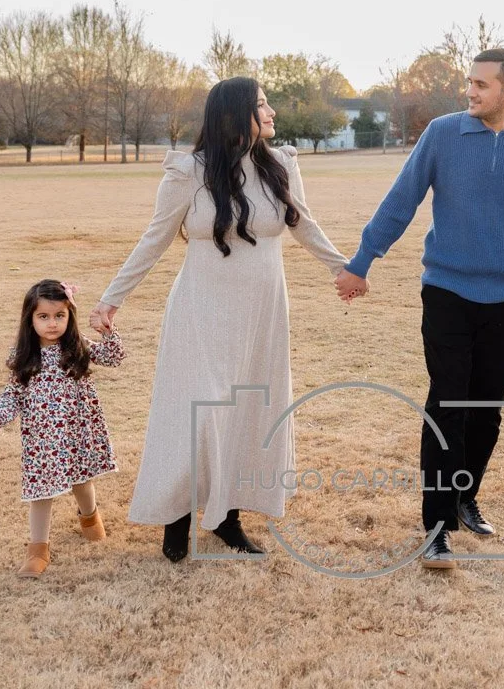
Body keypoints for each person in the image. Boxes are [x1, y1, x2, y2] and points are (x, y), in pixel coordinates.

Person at [89, 77, 354, 563]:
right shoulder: (189, 171)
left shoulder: (280, 165)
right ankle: (178, 516)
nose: (272, 112)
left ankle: (228, 517)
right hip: (201, 312)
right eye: (261, 105)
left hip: (262, 313)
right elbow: (155, 237)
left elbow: (302, 223)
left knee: (247, 410)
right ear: (234, 115)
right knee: (196, 412)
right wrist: (111, 299)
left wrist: (345, 268)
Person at [335, 48, 504, 569]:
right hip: (447, 293)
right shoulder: (442, 133)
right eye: (470, 83)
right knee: (447, 404)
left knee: (486, 408)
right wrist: (362, 261)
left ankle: (465, 496)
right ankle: (436, 526)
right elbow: (401, 200)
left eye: (482, 85)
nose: (471, 92)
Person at [0, 279, 127, 577]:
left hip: (76, 432)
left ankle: (89, 517)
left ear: (69, 317)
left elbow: (115, 358)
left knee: (81, 481)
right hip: (43, 439)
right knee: (41, 492)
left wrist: (108, 331)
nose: (52, 324)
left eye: (59, 316)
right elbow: (13, 393)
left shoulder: (78, 346)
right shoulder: (24, 356)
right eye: (43, 317)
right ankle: (38, 550)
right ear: (30, 319)